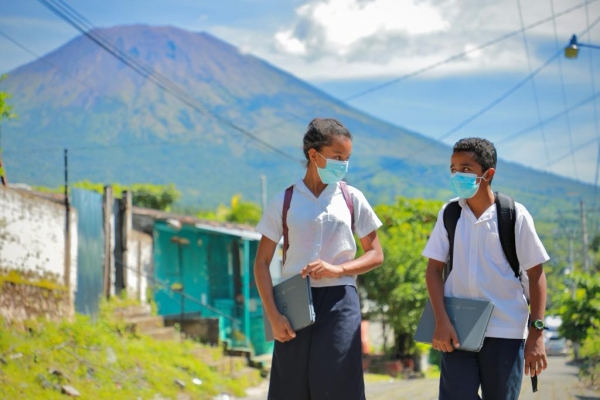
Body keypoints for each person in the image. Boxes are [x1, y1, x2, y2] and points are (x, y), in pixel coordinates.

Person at [254, 118, 384, 400]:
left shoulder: (352, 198)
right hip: (293, 304)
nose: (343, 165)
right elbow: (261, 263)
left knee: (340, 387)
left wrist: (338, 269)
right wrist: (274, 316)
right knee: (291, 387)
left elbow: (376, 254)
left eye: (347, 158)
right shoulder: (284, 201)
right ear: (314, 155)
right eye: (337, 157)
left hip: (340, 301)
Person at [422, 137, 549, 400]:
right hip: (458, 329)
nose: (458, 175)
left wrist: (536, 335)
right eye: (453, 169)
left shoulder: (514, 215)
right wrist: (440, 321)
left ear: (488, 174)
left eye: (466, 169)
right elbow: (433, 270)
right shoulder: (450, 214)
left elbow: (536, 275)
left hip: (506, 330)